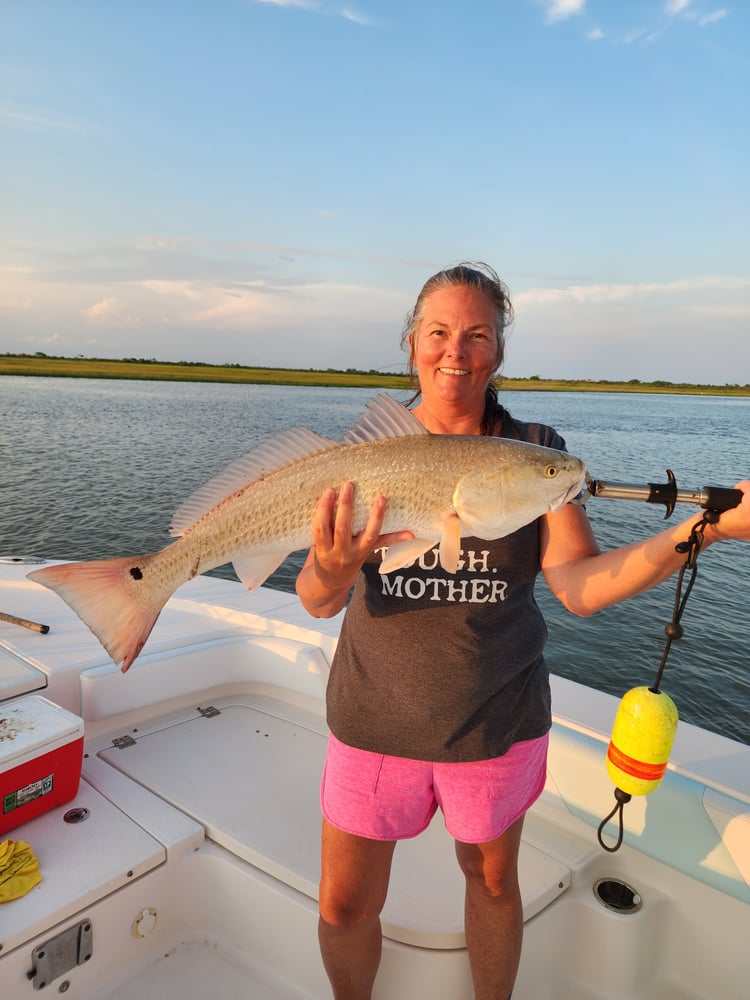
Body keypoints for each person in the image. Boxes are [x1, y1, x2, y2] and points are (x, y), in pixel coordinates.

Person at [295, 262, 750, 1000]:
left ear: (498, 351)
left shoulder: (534, 452)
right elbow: (317, 600)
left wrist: (706, 530)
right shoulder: (364, 459)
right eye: (439, 332)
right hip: (373, 720)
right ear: (412, 342)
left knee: (494, 880)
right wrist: (331, 565)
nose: (455, 352)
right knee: (344, 903)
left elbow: (579, 585)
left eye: (477, 335)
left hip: (496, 725)